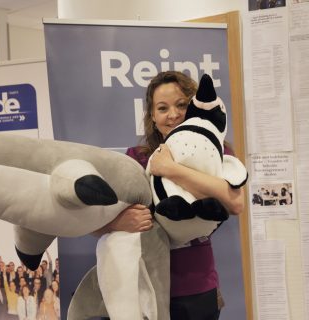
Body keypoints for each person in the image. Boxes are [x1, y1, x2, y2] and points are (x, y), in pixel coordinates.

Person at [99, 71, 244, 320]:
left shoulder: (215, 149)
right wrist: (116, 223)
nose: (173, 115)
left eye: (181, 105)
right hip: (143, 285)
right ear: (152, 117)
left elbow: (235, 202)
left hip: (196, 286)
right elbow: (93, 219)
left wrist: (169, 169)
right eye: (162, 108)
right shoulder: (136, 158)